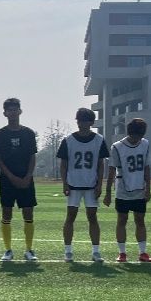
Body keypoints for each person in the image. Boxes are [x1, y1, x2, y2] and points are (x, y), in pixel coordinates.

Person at [58, 108, 109, 263]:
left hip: (90, 184)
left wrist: (99, 185)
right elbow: (63, 165)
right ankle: (68, 251)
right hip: (73, 184)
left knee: (92, 217)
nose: (82, 123)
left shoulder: (99, 140)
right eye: (80, 120)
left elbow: (100, 164)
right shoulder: (68, 140)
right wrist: (65, 183)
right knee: (70, 216)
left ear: (91, 122)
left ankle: (96, 251)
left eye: (85, 120)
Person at [0, 98, 38, 262]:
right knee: (6, 213)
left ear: (20, 111)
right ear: (5, 113)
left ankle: (29, 250)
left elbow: (32, 157)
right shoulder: (0, 134)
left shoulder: (28, 133)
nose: (12, 112)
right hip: (7, 180)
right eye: (9, 110)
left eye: (15, 109)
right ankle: (8, 250)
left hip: (26, 179)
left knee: (28, 213)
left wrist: (27, 177)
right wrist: (11, 177)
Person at [103, 118, 151, 263]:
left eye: (140, 136)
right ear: (129, 132)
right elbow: (111, 169)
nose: (137, 139)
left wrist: (148, 188)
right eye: (135, 135)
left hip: (139, 189)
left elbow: (147, 167)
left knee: (140, 220)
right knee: (122, 220)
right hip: (123, 190)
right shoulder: (117, 147)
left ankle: (143, 252)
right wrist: (108, 193)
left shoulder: (145, 144)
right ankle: (122, 253)